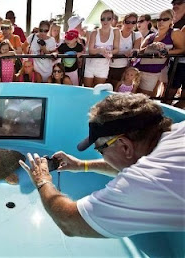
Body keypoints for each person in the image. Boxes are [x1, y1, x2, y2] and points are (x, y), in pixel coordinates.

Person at [19, 93, 185, 238]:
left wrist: (42, 180)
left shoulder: (147, 181)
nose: (101, 155)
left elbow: (69, 222)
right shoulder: (178, 130)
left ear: (124, 146)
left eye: (100, 149)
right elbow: (132, 163)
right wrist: (81, 165)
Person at [136, 9, 185, 96]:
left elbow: (181, 49)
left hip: (153, 71)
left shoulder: (174, 33)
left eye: (165, 19)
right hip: (139, 69)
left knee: (144, 98)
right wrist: (151, 46)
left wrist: (167, 52)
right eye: (158, 19)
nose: (161, 22)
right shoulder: (151, 36)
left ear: (171, 20)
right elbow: (140, 52)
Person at [84, 9, 120, 87]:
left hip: (103, 67)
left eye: (108, 18)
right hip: (90, 65)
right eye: (103, 19)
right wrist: (100, 50)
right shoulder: (94, 32)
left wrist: (109, 52)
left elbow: (117, 49)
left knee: (98, 90)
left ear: (112, 19)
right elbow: (91, 50)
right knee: (87, 90)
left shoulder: (116, 31)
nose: (105, 21)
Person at [107, 12, 142, 88]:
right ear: (123, 22)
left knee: (116, 90)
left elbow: (136, 49)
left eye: (133, 22)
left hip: (122, 68)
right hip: (107, 65)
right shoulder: (115, 33)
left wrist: (132, 52)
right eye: (128, 22)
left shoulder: (136, 35)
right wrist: (123, 53)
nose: (130, 25)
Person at [167, 0, 185, 108]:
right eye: (174, 3)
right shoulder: (171, 21)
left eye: (179, 3)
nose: (175, 5)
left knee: (183, 100)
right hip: (177, 63)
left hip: (180, 62)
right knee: (169, 95)